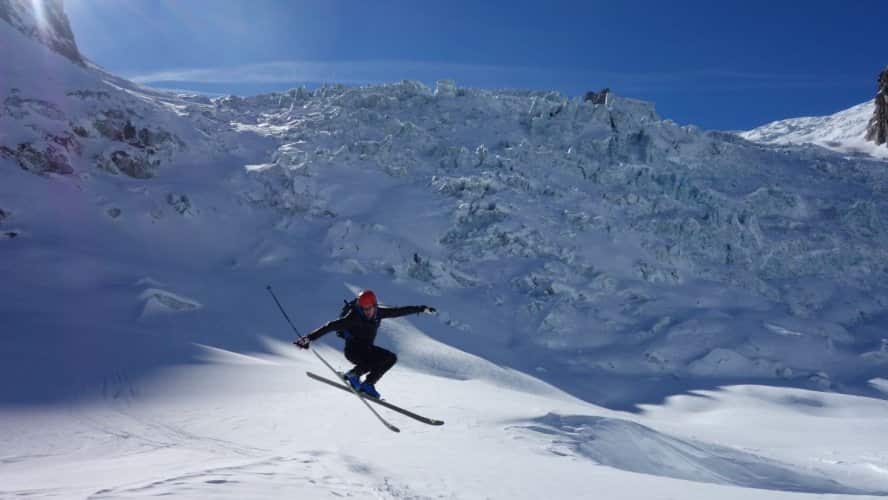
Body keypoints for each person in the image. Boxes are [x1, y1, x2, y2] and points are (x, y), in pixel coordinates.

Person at [294, 289, 435, 399]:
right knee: (374, 359)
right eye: (364, 309)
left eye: (369, 308)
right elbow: (330, 326)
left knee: (390, 358)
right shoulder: (353, 317)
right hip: (353, 351)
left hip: (367, 349)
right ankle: (353, 375)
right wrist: (308, 338)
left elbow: (399, 311)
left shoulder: (379, 312)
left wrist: (421, 309)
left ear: (375, 305)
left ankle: (367, 385)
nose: (367, 312)